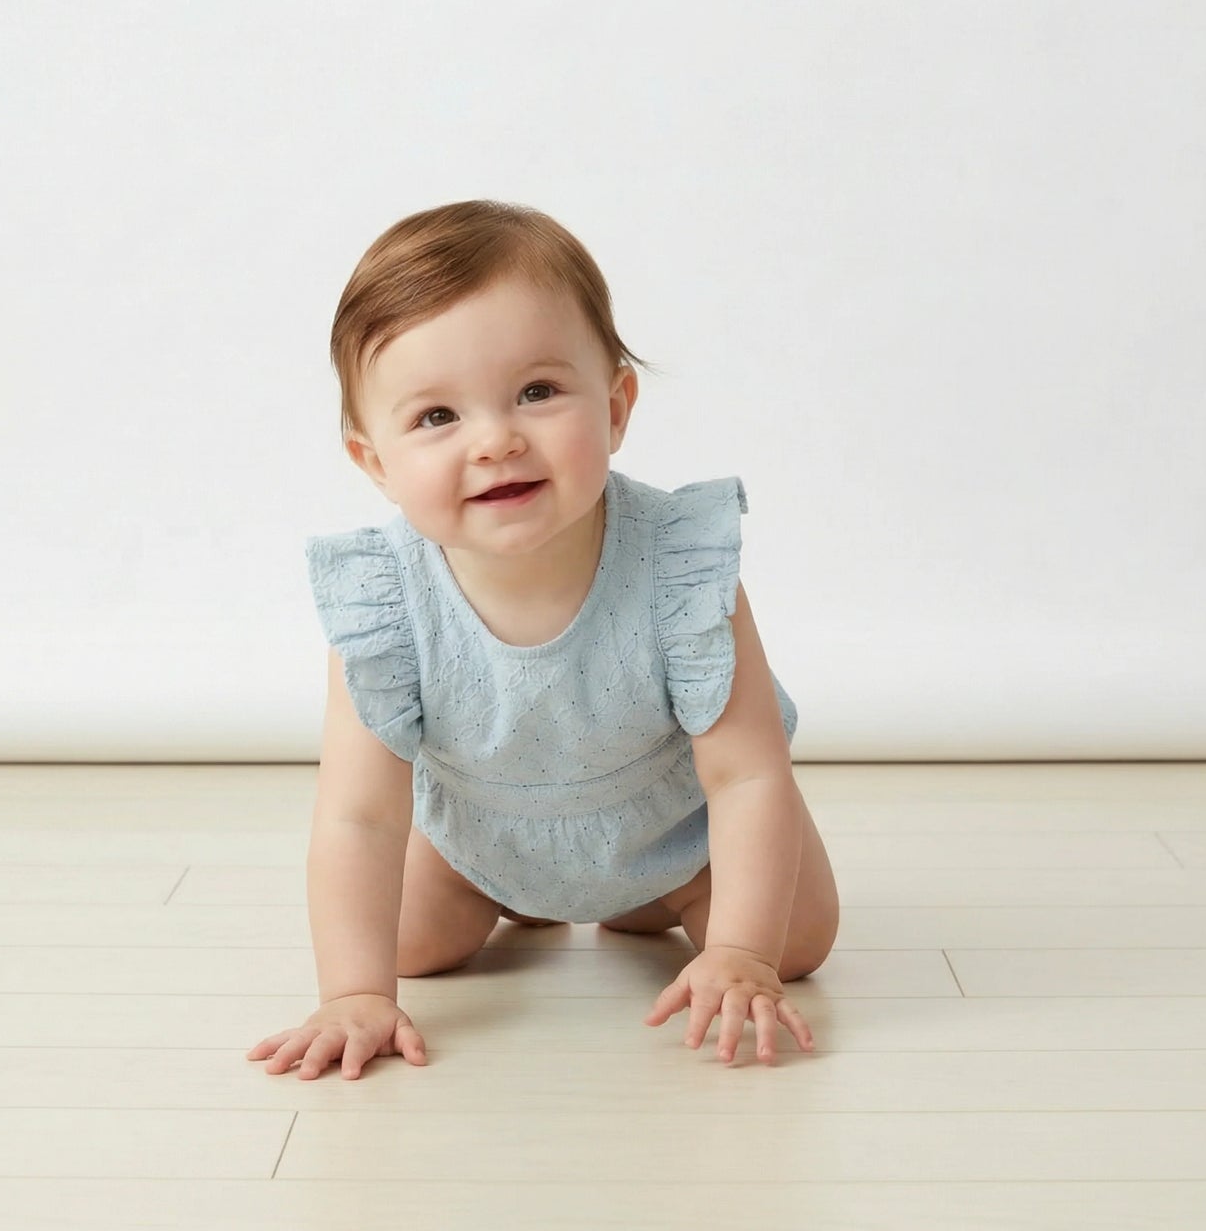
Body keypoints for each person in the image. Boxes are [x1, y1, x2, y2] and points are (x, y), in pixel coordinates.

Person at [247, 200, 840, 1082]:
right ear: (374, 462)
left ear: (615, 404)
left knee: (795, 939)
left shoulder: (679, 565)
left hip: (676, 844)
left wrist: (744, 951)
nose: (495, 440)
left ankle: (654, 908)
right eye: (437, 416)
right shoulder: (385, 599)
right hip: (484, 849)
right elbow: (359, 811)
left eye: (536, 392)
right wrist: (351, 992)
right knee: (407, 942)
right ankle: (510, 899)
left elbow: (746, 771)